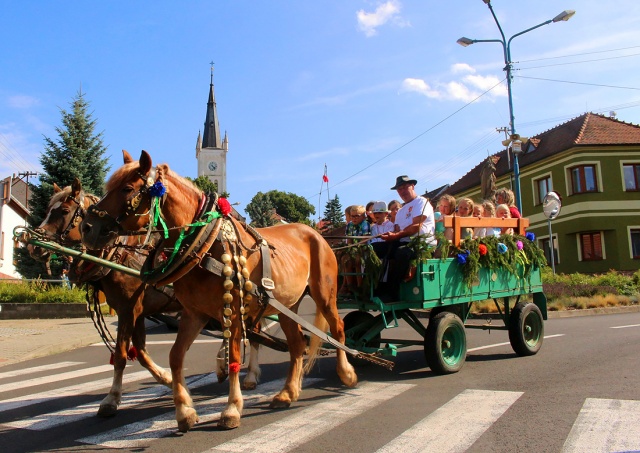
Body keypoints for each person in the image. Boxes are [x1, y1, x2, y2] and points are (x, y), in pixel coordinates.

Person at [380, 175, 436, 300]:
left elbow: (416, 226)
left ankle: (393, 292)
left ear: (412, 186)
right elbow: (397, 230)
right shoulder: (401, 211)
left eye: (405, 187)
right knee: (379, 248)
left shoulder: (422, 202)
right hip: (404, 241)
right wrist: (391, 235)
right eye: (399, 189)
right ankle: (378, 287)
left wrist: (396, 235)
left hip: (422, 244)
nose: (402, 191)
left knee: (402, 253)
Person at [340, 205, 371, 293]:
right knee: (344, 259)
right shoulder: (349, 225)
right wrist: (349, 249)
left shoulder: (365, 224)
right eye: (352, 216)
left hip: (364, 248)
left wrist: (356, 248)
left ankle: (360, 286)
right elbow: (349, 239)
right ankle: (348, 285)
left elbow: (365, 240)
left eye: (357, 216)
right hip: (353, 248)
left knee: (357, 260)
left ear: (363, 216)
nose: (354, 218)